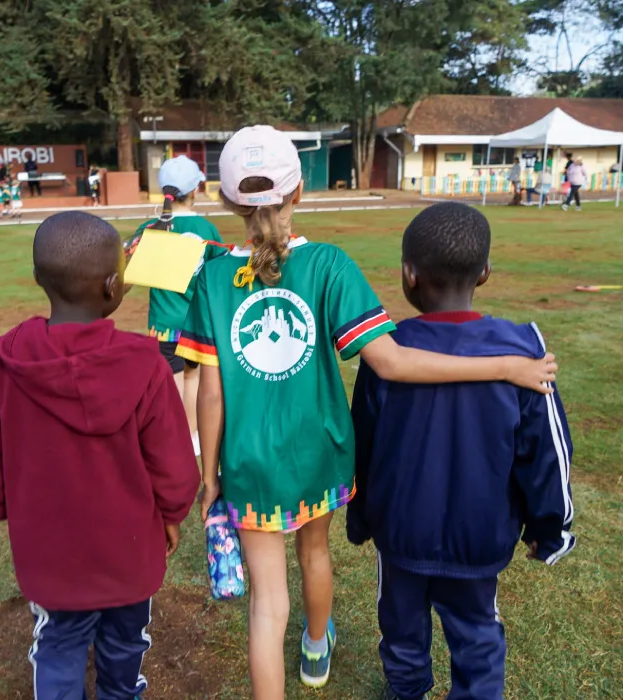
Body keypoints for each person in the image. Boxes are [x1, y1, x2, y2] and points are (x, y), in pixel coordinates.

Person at [176, 126, 558, 700]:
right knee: (315, 552)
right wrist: (505, 366)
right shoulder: (329, 264)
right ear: (298, 191)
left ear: (228, 201)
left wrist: (209, 477)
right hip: (320, 453)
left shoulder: (209, 278)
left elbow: (211, 393)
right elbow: (393, 362)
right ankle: (315, 648)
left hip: (248, 462)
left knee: (266, 604)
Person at [347, 202, 575, 700]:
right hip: (478, 533)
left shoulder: (393, 350)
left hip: (402, 529)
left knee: (401, 628)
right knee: (475, 636)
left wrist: (360, 515)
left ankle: (405, 689)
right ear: (485, 272)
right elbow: (546, 454)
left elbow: (360, 442)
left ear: (408, 275)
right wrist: (549, 527)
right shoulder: (513, 352)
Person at [0, 211, 200, 699]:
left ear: (39, 279)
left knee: (59, 643)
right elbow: (175, 466)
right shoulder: (146, 364)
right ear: (115, 286)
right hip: (129, 547)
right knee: (125, 640)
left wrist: (1, 505)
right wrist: (172, 514)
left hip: (48, 550)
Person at [124, 155, 225, 457]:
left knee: (173, 385)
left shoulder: (150, 228)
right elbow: (218, 279)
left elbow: (125, 270)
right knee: (193, 379)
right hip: (198, 326)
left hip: (163, 326)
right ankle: (191, 441)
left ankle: (176, 442)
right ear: (196, 190)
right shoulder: (207, 230)